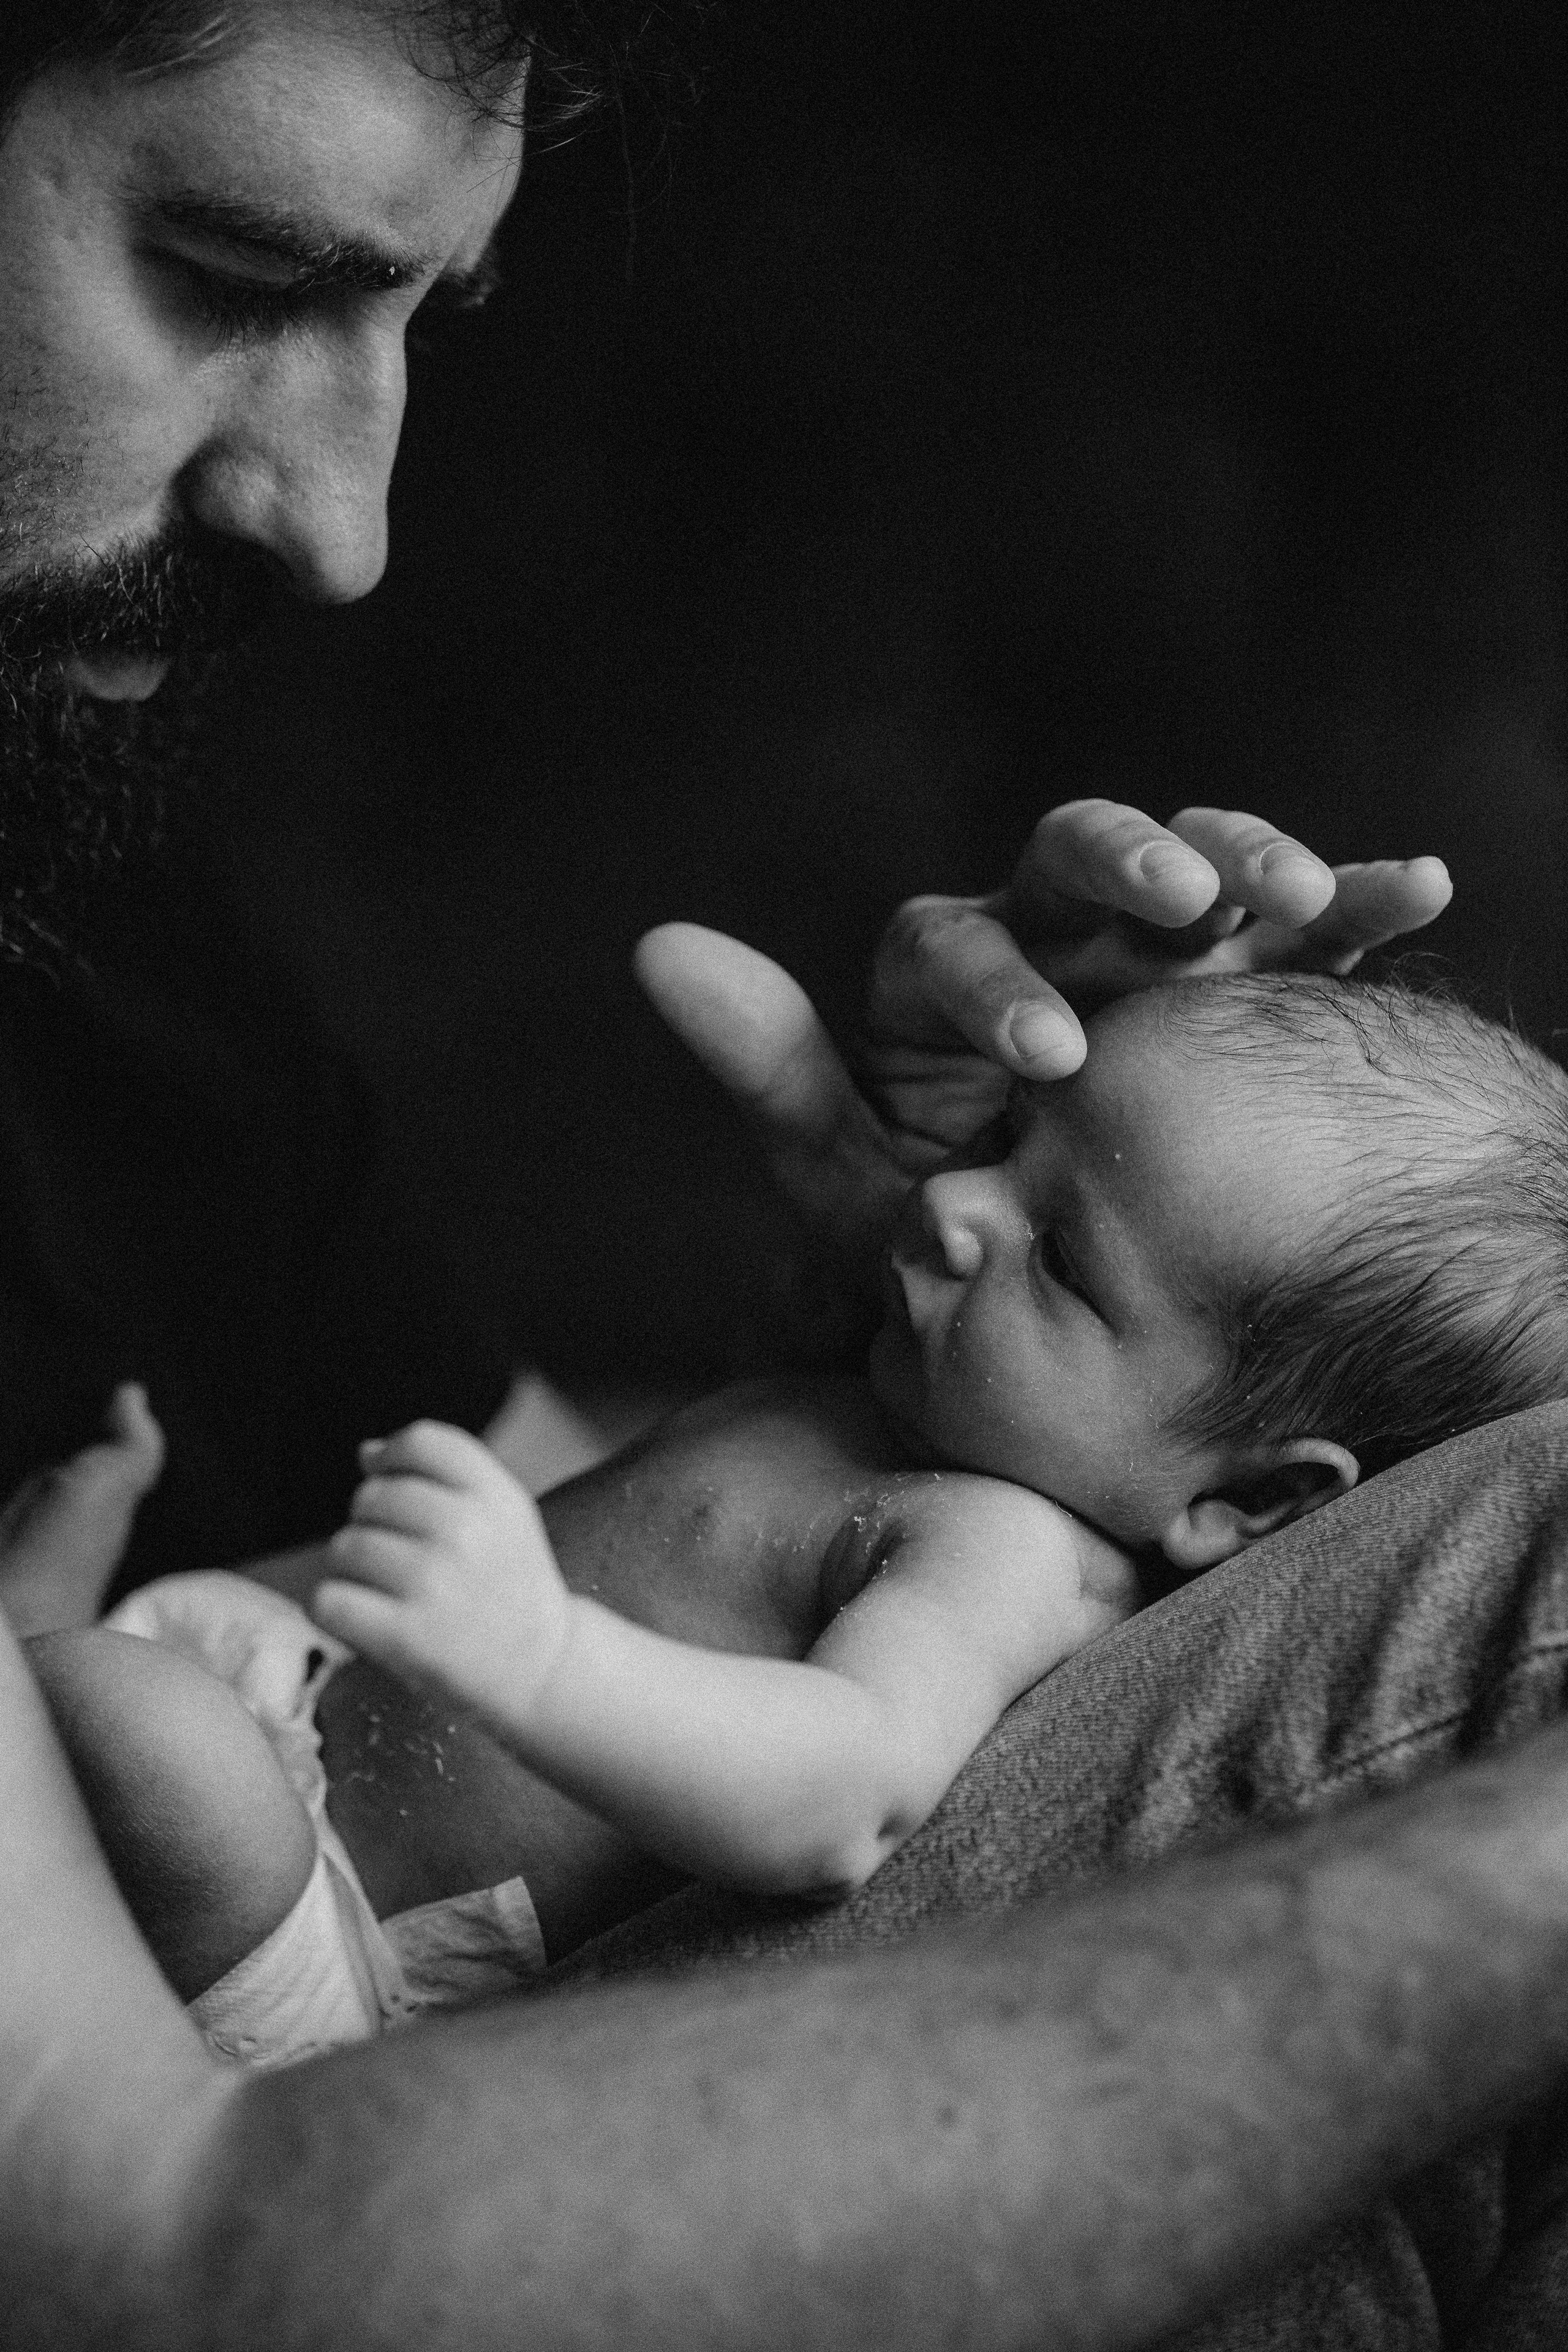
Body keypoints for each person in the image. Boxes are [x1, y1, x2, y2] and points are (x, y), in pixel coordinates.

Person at [7, 4, 1564, 2348]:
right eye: (230, 262)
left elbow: (613, 1568)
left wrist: (855, 1296)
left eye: (432, 312)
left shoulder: (96, 938)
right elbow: (158, 2266)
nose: (344, 531)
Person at [15, 962, 1568, 2089]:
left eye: (1067, 1268)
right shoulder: (888, 1396)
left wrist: (540, 1656)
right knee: (145, 1678)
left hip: (358, 1952)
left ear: (1245, 1501)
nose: (961, 1213)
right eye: (1007, 1142)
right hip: (296, 1708)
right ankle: (58, 1650)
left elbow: (843, 1788)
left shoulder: (997, 1552)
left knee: (131, 1730)